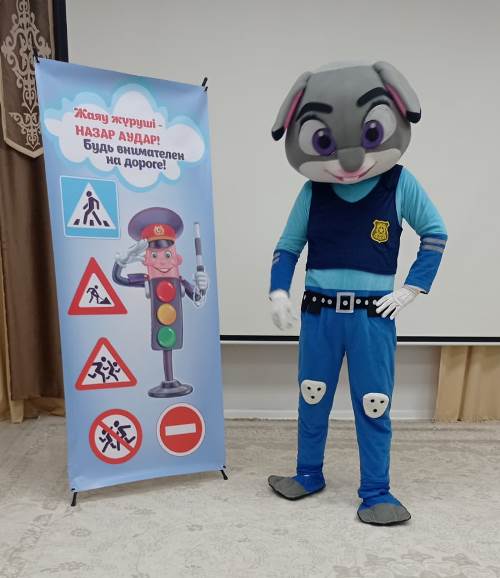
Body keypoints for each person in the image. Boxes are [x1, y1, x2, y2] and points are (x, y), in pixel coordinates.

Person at [268, 61, 447, 525]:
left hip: (372, 318)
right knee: (312, 395)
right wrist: (278, 292)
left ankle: (376, 491)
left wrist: (412, 288)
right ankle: (308, 472)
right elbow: (288, 247)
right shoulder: (314, 191)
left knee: (374, 402)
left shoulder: (398, 182)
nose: (348, 161)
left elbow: (434, 234)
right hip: (320, 315)